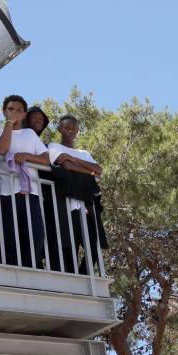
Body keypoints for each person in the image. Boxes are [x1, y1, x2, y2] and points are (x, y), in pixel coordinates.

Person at [0, 95, 49, 268]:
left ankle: (30, 271)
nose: (15, 113)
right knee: (10, 236)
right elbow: (0, 149)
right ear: (4, 112)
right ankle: (13, 273)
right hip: (6, 192)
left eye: (19, 110)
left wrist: (27, 156)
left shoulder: (30, 134)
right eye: (11, 109)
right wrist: (9, 124)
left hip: (32, 192)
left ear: (24, 115)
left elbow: (46, 159)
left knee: (36, 235)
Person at [47, 114, 108, 275]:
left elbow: (99, 170)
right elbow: (66, 166)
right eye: (66, 127)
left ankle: (83, 275)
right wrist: (89, 171)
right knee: (70, 246)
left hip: (87, 206)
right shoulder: (54, 146)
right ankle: (73, 278)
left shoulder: (84, 152)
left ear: (77, 130)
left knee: (94, 246)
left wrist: (74, 159)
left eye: (73, 128)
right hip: (67, 205)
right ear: (60, 129)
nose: (70, 131)